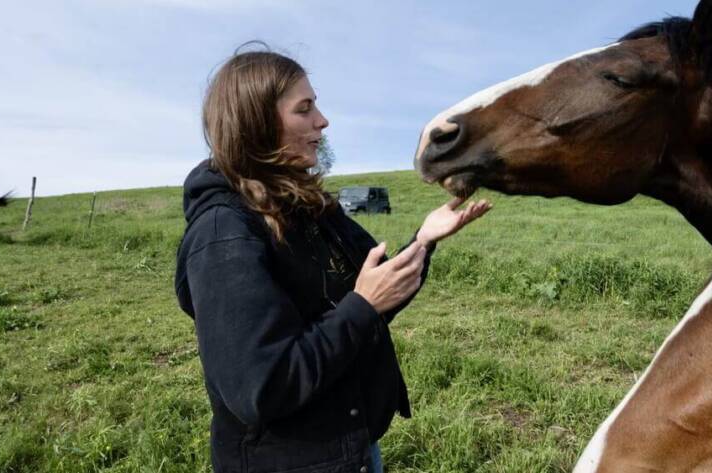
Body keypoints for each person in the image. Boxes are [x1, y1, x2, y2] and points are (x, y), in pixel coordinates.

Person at [174, 45, 491, 473]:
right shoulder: (223, 233)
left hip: (350, 451)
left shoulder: (311, 209)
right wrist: (363, 306)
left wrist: (424, 239)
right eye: (304, 109)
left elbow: (375, 292)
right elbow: (261, 387)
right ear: (257, 122)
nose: (322, 121)